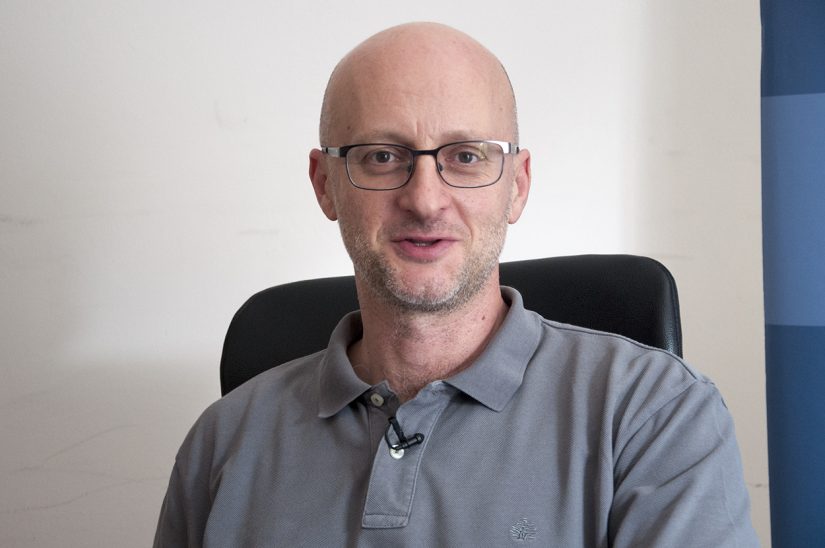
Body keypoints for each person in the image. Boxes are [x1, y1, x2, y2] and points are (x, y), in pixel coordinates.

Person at [154, 22, 758, 547]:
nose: (425, 200)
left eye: (467, 156)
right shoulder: (220, 442)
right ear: (324, 184)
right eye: (381, 156)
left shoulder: (654, 416)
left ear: (517, 184)